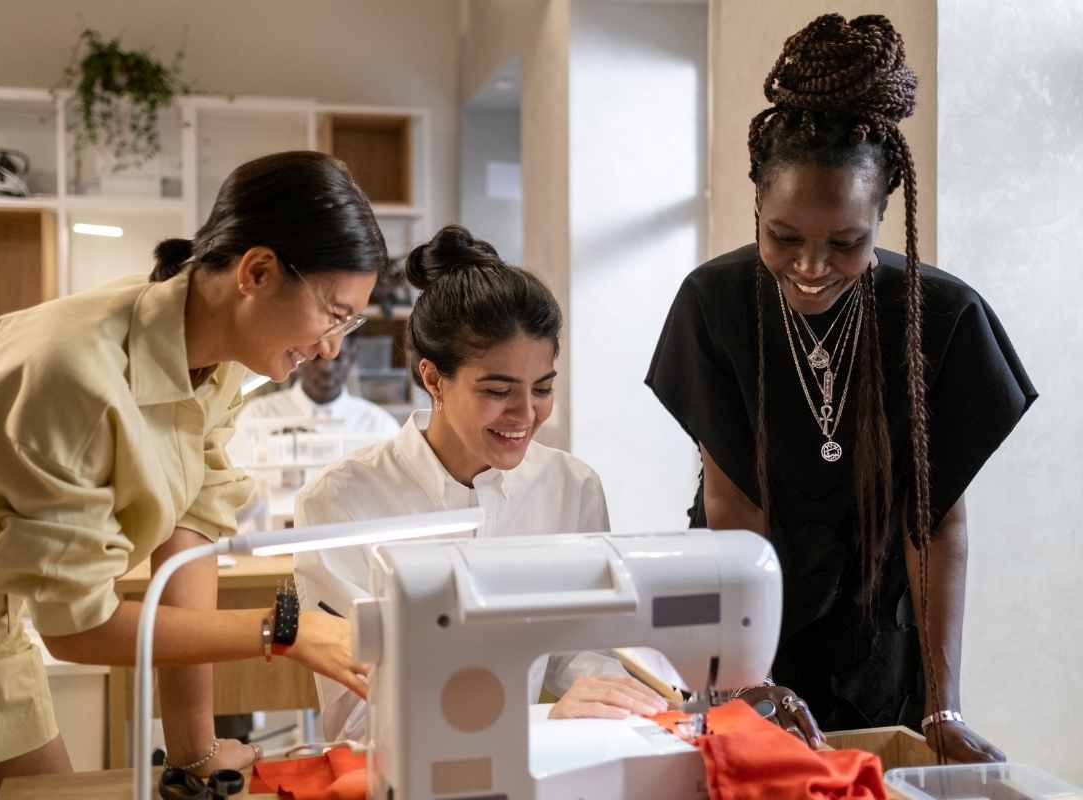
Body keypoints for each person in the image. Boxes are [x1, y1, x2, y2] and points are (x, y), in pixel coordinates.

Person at [0, 151, 387, 798]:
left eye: (351, 322)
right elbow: (78, 627)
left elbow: (189, 535)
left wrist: (194, 753)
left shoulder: (217, 355)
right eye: (334, 314)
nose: (332, 347)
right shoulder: (77, 376)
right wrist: (282, 633)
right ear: (256, 272)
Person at [647, 14, 1036, 762]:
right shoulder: (716, 305)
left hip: (878, 624)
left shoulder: (943, 319)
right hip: (742, 612)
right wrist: (743, 683)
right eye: (783, 237)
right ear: (757, 205)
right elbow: (734, 516)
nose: (811, 266)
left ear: (882, 215)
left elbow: (939, 525)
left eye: (845, 242)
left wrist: (941, 705)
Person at [295, 225, 678, 742]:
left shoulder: (571, 486)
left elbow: (576, 648)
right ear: (433, 378)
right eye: (499, 390)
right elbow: (357, 725)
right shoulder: (342, 504)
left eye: (542, 388)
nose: (526, 414)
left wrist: (636, 694)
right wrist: (539, 723)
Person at [236, 329, 401, 435]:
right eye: (316, 357)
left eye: (338, 358)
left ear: (352, 358)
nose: (326, 368)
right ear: (297, 354)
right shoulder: (258, 415)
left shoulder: (379, 426)